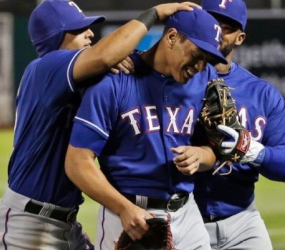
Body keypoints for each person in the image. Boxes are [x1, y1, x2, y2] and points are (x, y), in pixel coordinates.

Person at [0, 1, 201, 249]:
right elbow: (105, 54)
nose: (90, 33)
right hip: (27, 226)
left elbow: (103, 61)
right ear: (55, 36)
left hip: (64, 223)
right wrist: (154, 14)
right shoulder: (45, 67)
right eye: (78, 29)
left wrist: (106, 64)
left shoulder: (70, 78)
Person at [64, 8, 228, 250]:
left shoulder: (204, 80)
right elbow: (77, 162)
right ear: (171, 37)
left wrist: (201, 156)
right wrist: (123, 208)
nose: (201, 66)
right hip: (128, 218)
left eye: (208, 59)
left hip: (187, 213)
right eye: (197, 54)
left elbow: (215, 150)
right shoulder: (114, 81)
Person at [193, 0, 285, 249]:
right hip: (184, 218)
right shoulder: (170, 82)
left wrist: (255, 151)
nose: (217, 30)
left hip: (242, 221)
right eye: (211, 21)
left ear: (240, 38)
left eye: (227, 26)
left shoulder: (262, 94)